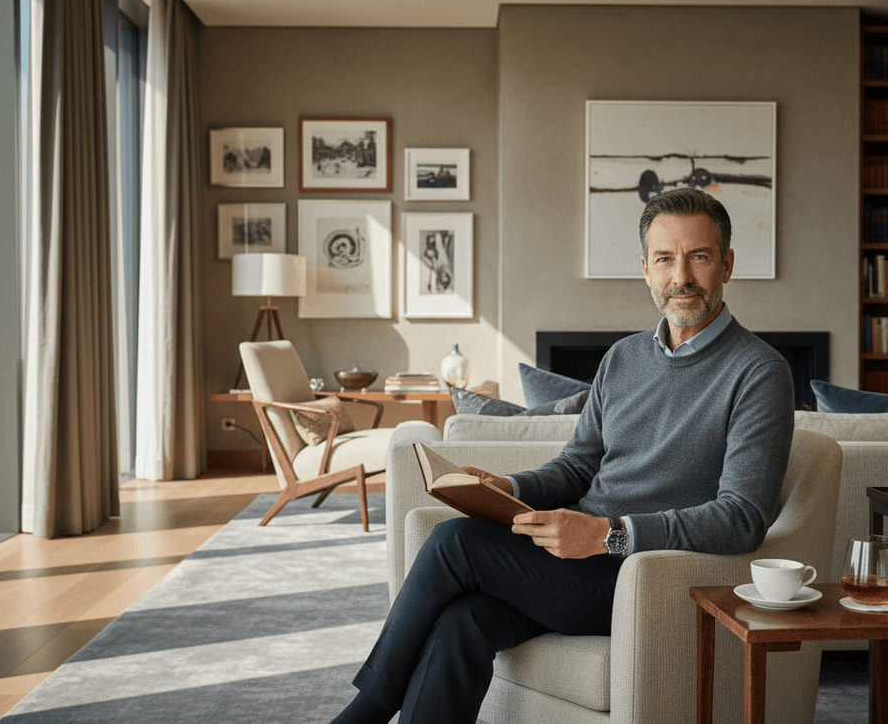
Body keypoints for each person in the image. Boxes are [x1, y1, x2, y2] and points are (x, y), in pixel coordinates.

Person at [330, 187, 795, 724]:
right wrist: (510, 489)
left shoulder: (759, 372)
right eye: (665, 258)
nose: (681, 277)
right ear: (646, 269)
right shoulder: (622, 359)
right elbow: (577, 465)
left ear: (727, 265)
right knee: (466, 619)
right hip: (578, 559)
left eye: (699, 256)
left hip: (649, 576)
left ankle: (362, 715)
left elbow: (741, 519)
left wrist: (607, 534)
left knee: (453, 543)